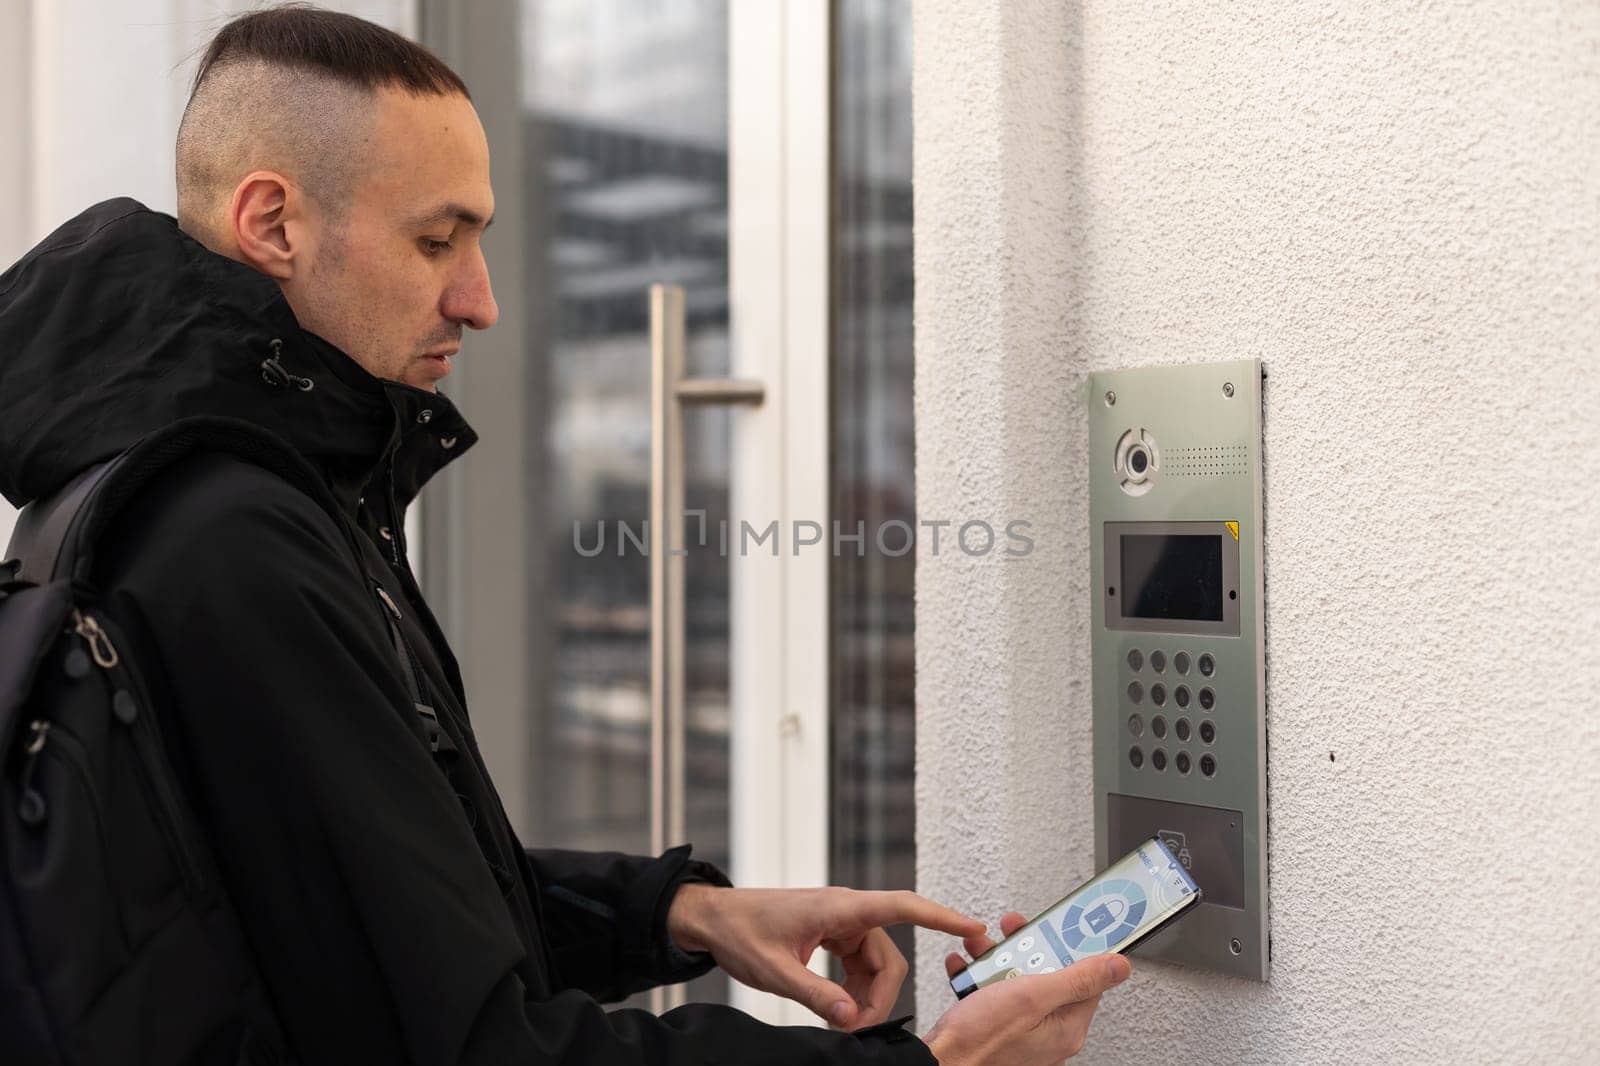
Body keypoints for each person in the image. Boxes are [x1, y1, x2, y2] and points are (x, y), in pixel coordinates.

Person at [0, 7, 1129, 1063]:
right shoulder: (234, 540)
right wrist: (931, 1058)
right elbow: (475, 1040)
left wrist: (683, 913)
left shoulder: (167, 490)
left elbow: (383, 905)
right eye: (438, 240)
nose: (480, 299)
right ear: (273, 223)